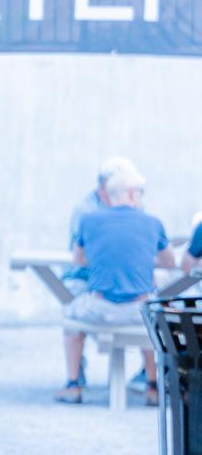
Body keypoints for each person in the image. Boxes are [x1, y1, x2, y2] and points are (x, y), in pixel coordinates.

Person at [56, 157, 173, 405]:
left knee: (70, 315)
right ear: (131, 194)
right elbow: (169, 262)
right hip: (138, 312)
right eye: (140, 192)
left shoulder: (87, 219)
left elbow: (78, 259)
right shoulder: (152, 222)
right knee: (154, 313)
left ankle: (73, 384)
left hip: (99, 307)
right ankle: (152, 386)